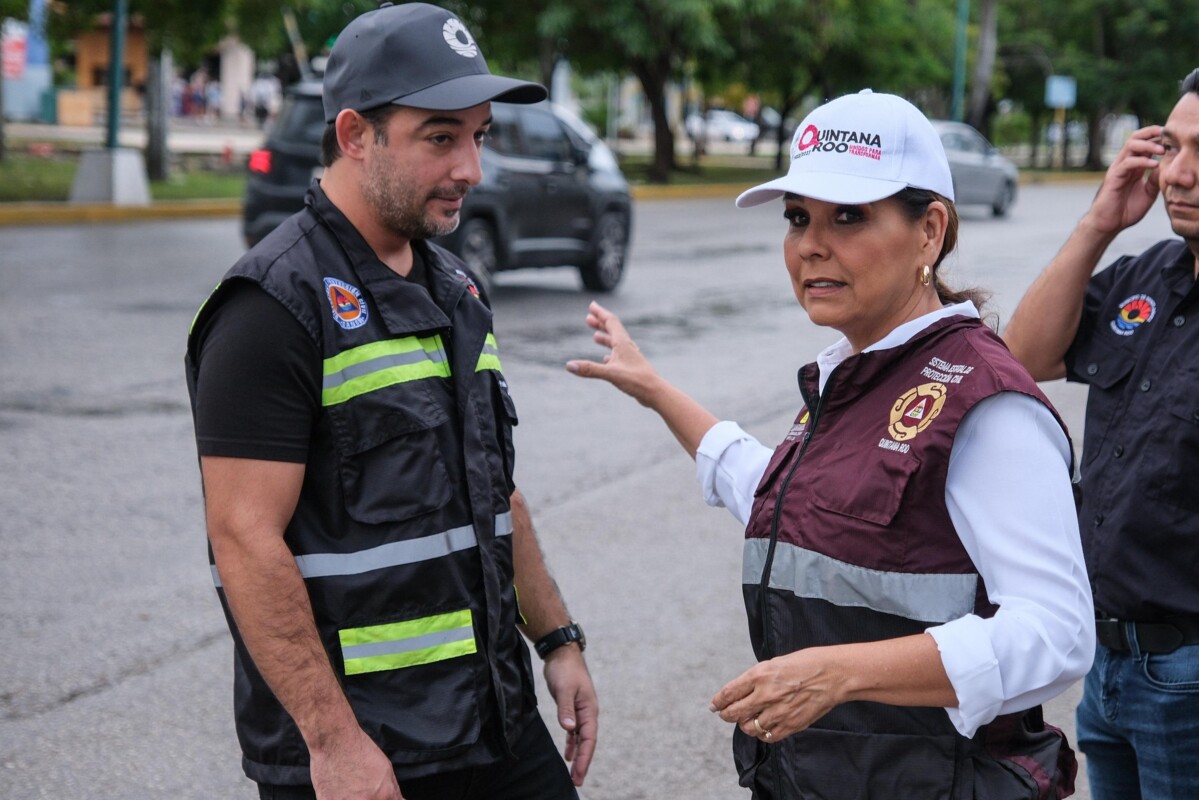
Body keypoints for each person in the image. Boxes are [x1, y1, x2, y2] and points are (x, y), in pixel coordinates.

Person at [567, 89, 1093, 799]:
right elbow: (788, 501)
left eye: (849, 216)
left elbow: (1058, 634)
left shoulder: (984, 403)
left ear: (930, 232)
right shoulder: (855, 369)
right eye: (798, 218)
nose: (812, 244)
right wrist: (657, 390)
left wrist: (841, 672)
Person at [184, 5, 596, 799]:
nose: (470, 168)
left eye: (479, 136)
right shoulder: (271, 308)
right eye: (440, 138)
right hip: (367, 751)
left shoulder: (458, 288)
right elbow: (243, 538)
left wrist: (557, 640)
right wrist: (334, 742)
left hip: (494, 724)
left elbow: (494, 491)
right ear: (354, 135)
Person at [1002, 69, 1199, 800]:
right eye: (1170, 147)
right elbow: (1023, 357)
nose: (1178, 174)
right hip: (1108, 666)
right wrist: (1098, 224)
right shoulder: (1146, 274)